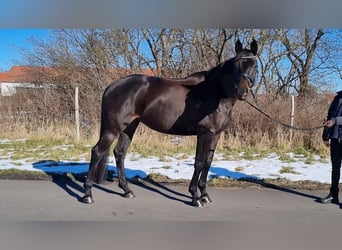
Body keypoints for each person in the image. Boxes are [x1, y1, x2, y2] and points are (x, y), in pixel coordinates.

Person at [320, 90, 342, 207]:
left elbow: (334, 120)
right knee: (335, 168)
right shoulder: (337, 98)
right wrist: (325, 135)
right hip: (335, 138)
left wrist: (336, 121)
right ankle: (333, 194)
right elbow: (329, 116)